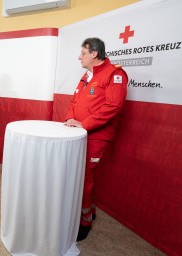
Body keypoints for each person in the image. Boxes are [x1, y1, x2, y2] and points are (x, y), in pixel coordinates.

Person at [64, 38, 128, 241]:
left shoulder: (115, 73)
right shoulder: (86, 75)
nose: (79, 56)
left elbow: (113, 106)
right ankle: (89, 210)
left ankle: (84, 222)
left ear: (94, 54)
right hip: (78, 134)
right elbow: (74, 100)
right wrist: (69, 119)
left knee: (83, 178)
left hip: (97, 136)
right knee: (80, 176)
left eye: (83, 53)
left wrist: (84, 124)